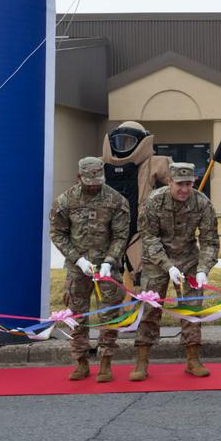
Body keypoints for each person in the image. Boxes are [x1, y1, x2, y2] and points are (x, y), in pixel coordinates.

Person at [130, 162, 219, 381]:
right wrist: (168, 266)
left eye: (188, 184)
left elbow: (210, 240)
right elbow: (149, 238)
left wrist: (203, 269)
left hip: (189, 258)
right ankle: (142, 360)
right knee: (150, 309)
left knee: (191, 309)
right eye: (179, 184)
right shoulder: (154, 201)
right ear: (169, 181)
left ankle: (193, 359)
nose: (184, 189)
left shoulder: (202, 203)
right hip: (157, 260)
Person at [49, 157, 130, 382]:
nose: (94, 185)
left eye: (98, 180)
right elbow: (58, 233)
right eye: (89, 181)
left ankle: (106, 362)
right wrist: (78, 260)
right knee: (78, 315)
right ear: (79, 178)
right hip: (78, 270)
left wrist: (109, 260)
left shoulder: (116, 200)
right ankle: (81, 362)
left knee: (109, 315)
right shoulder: (65, 201)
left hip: (107, 269)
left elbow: (121, 235)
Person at [101, 121, 172, 293]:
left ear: (142, 142)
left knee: (141, 278)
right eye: (120, 142)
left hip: (140, 230)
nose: (124, 147)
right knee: (110, 279)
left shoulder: (155, 163)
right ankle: (120, 315)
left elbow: (177, 186)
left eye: (129, 142)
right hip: (109, 231)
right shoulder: (100, 165)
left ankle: (139, 315)